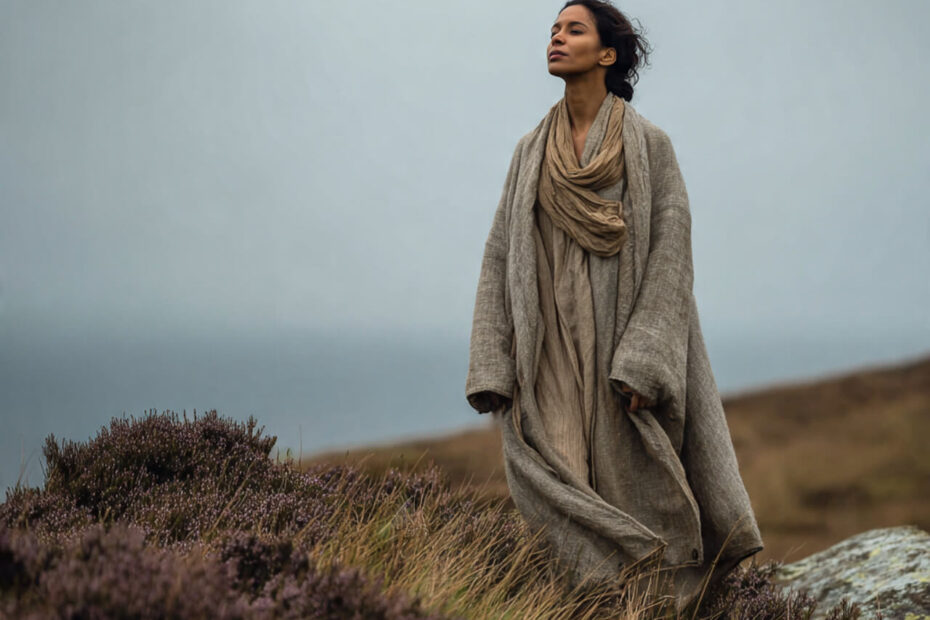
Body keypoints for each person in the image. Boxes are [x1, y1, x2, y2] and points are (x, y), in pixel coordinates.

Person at [464, 0, 764, 613]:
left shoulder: (650, 146)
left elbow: (671, 255)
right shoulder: (529, 151)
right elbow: (500, 252)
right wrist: (492, 363)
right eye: (553, 29)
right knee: (554, 479)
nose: (556, 37)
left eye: (573, 29)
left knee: (636, 481)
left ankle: (659, 597)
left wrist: (647, 362)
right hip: (545, 351)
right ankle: (589, 601)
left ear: (607, 53)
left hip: (619, 351)